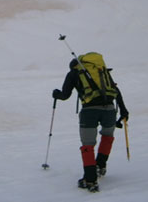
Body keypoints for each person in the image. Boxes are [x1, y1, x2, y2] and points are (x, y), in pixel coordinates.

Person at [52, 53, 129, 192]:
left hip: (89, 111)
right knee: (107, 136)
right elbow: (115, 90)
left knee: (88, 145)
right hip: (110, 109)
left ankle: (90, 180)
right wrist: (124, 111)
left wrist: (56, 94)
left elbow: (65, 95)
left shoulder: (73, 73)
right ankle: (100, 166)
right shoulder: (101, 71)